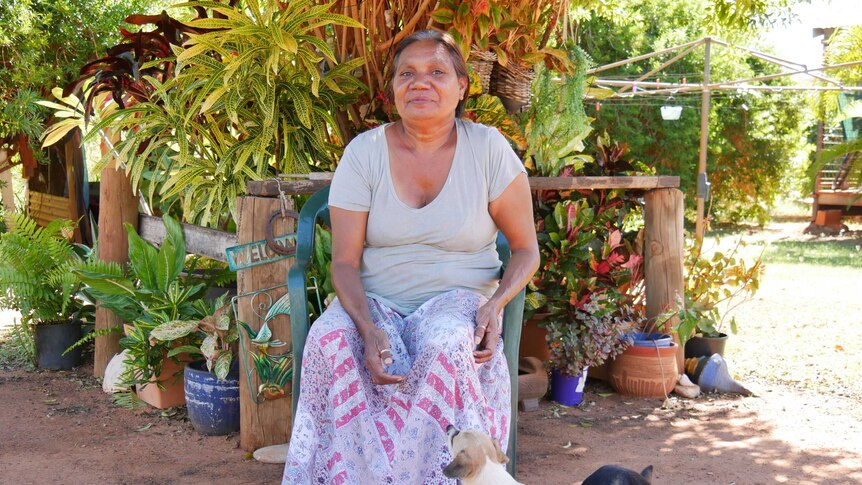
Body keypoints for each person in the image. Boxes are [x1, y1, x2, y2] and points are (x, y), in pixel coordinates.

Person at [282, 29, 539, 484]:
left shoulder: (488, 149)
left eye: (437, 72)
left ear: (462, 87)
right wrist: (366, 327)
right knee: (330, 341)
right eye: (408, 73)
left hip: (458, 299)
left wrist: (494, 305)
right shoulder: (364, 153)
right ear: (393, 90)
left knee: (445, 345)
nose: (421, 82)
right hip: (374, 299)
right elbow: (343, 262)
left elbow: (525, 251)